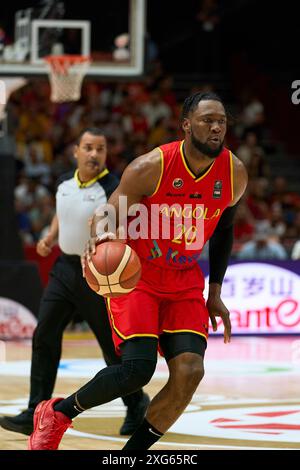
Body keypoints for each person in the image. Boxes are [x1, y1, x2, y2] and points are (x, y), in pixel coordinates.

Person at [27, 92, 248, 450]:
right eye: (208, 119)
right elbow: (109, 211)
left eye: (221, 120)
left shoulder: (234, 172)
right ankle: (57, 413)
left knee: (190, 373)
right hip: (139, 276)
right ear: (186, 125)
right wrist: (99, 234)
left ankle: (131, 457)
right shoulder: (152, 167)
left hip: (184, 279)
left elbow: (223, 228)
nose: (217, 127)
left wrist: (216, 291)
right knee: (137, 371)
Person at [0, 128, 149, 437]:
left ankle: (136, 405)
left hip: (97, 274)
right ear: (76, 152)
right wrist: (51, 236)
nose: (94, 154)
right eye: (89, 148)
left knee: (113, 350)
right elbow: (61, 213)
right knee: (44, 335)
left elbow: (117, 223)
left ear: (106, 154)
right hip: (64, 268)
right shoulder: (63, 182)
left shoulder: (113, 187)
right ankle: (35, 410)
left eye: (101, 149)